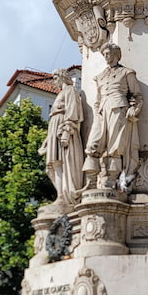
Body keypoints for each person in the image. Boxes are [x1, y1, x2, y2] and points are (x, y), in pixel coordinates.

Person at [83, 42, 143, 190]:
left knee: (114, 147)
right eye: (104, 54)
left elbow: (138, 95)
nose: (105, 57)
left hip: (118, 108)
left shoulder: (127, 73)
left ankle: (111, 180)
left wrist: (134, 108)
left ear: (116, 55)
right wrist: (97, 112)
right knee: (93, 144)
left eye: (108, 54)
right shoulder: (100, 77)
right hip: (102, 111)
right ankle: (91, 181)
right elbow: (97, 100)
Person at [39, 67, 84, 208]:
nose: (54, 82)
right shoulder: (61, 93)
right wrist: (47, 141)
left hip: (62, 128)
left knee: (61, 162)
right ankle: (60, 195)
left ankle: (63, 196)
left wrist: (67, 130)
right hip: (54, 128)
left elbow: (72, 111)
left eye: (55, 78)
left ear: (62, 76)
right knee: (53, 165)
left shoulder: (70, 90)